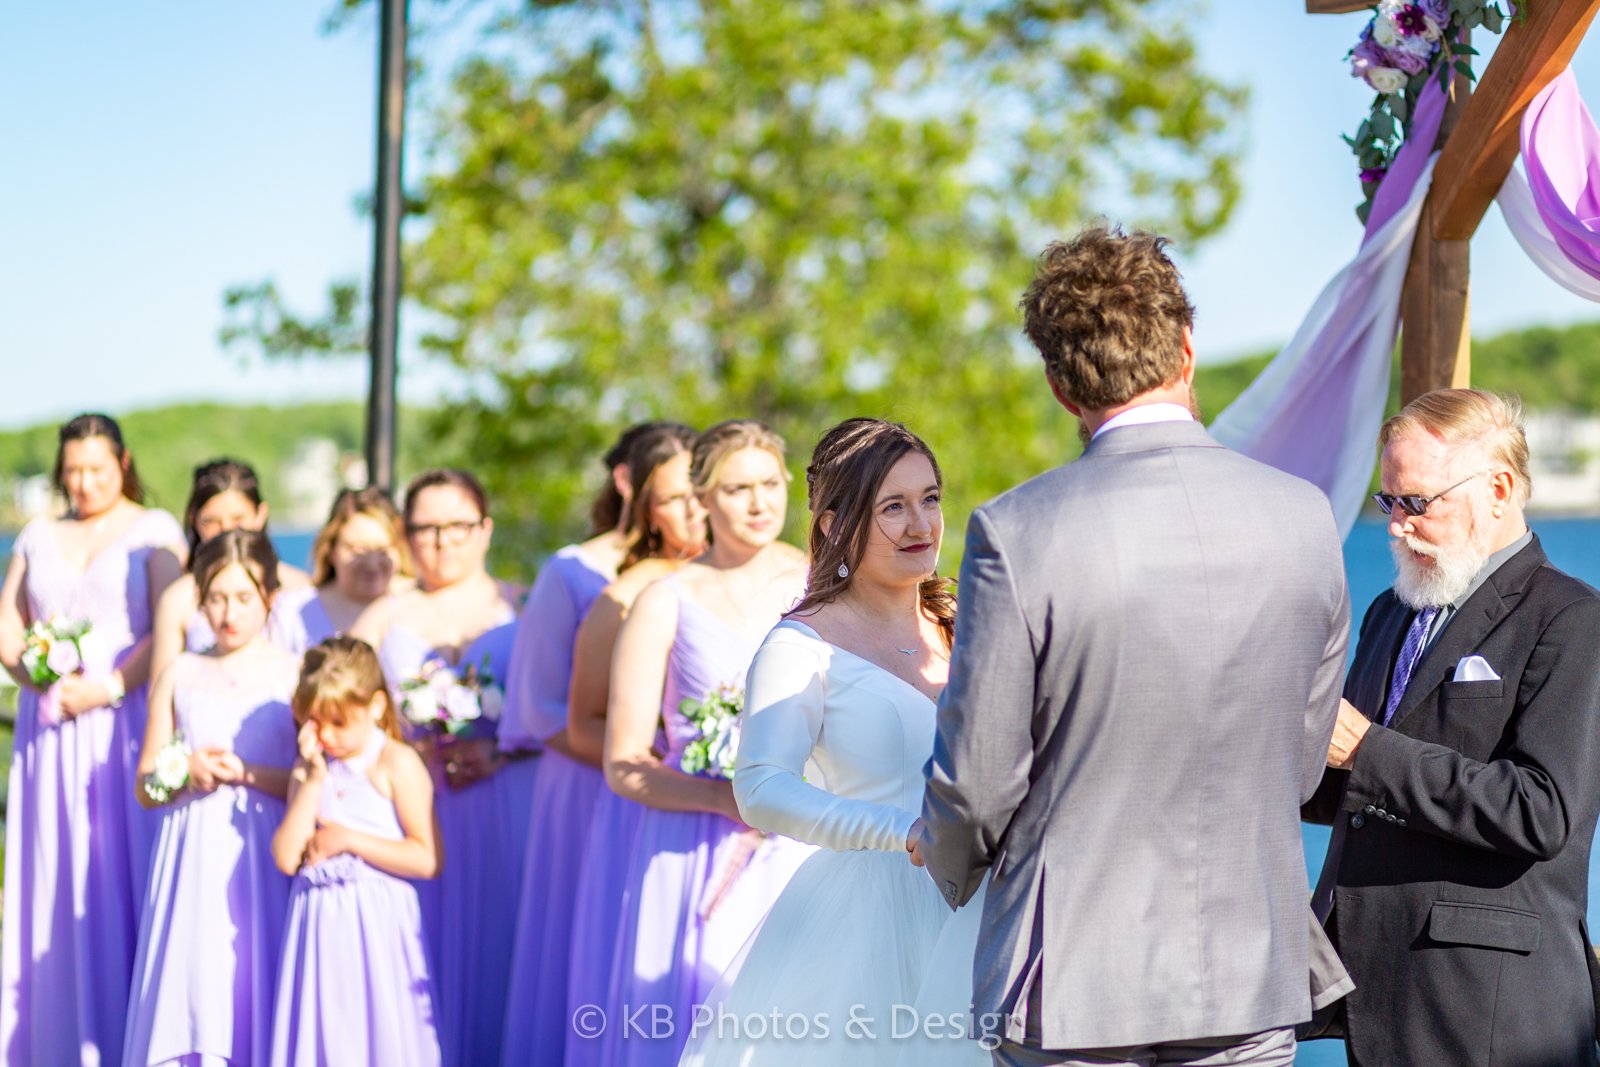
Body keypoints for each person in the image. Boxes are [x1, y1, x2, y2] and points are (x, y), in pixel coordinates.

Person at [914, 225, 1351, 1067]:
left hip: (1073, 978)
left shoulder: (1017, 530)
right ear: (1187, 348)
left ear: (1057, 385)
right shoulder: (1305, 515)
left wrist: (948, 868)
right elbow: (1299, 766)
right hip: (1249, 966)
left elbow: (977, 782)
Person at [1305, 388, 1600, 1066]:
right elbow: (1351, 787)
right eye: (1388, 502)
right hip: (1379, 1000)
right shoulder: (1392, 611)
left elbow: (1542, 810)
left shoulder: (1572, 619)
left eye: (1417, 502)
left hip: (1490, 1013)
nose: (1396, 525)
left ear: (1499, 488)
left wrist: (1367, 748)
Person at [681, 417, 970, 1066]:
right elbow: (760, 787)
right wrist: (901, 830)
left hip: (979, 905)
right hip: (869, 915)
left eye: (930, 498)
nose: (921, 524)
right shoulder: (801, 644)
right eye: (892, 506)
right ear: (836, 521)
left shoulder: (966, 625)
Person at [596, 419, 813, 1067]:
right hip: (695, 850)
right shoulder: (665, 600)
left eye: (771, 483)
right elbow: (624, 763)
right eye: (738, 486)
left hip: (803, 844)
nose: (759, 502)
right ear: (702, 498)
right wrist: (726, 798)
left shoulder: (824, 585)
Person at [501, 422, 702, 1067]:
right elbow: (540, 707)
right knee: (597, 942)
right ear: (636, 492)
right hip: (595, 781)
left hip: (705, 787)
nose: (694, 508)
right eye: (676, 494)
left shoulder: (749, 576)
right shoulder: (583, 576)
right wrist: (650, 762)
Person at [0, 412, 186, 1067]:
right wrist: (35, 669)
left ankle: (124, 1041)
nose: (83, 482)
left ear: (124, 462)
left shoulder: (153, 531)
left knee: (117, 870)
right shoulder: (38, 533)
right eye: (73, 470)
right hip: (48, 732)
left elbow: (171, 626)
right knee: (51, 875)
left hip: (122, 723)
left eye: (96, 469)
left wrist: (107, 685)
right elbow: (8, 628)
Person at [357, 468, 527, 1067]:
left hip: (508, 804)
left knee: (502, 952)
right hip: (416, 810)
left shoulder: (522, 604)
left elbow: (556, 714)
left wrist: (500, 749)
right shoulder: (384, 614)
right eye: (425, 528)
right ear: (406, 535)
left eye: (456, 525)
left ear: (484, 529)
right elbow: (338, 702)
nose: (441, 541)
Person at [559, 425, 707, 1067]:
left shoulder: (780, 579)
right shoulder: (623, 598)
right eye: (675, 498)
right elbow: (581, 724)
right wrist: (668, 760)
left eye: (703, 493)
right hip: (654, 811)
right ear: (647, 508)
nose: (693, 510)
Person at [123, 529, 300, 1066]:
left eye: (244, 597)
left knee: (255, 973)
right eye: (216, 598)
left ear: (269, 596)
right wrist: (185, 772)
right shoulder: (180, 672)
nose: (229, 613)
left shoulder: (295, 674)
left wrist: (247, 774)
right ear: (200, 599)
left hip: (262, 849)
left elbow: (312, 780)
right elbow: (146, 786)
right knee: (196, 981)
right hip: (192, 854)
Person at [269, 635, 442, 1067]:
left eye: (339, 722)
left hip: (377, 927)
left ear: (377, 708)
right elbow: (286, 856)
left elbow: (427, 858)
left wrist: (349, 839)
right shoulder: (311, 767)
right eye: (314, 722)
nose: (325, 734)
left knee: (377, 1035)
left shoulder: (395, 762)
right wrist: (311, 782)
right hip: (319, 926)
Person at [150, 458, 308, 681]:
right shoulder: (178, 599)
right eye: (212, 521)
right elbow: (160, 690)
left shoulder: (300, 587)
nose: (226, 531)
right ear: (193, 520)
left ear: (260, 515)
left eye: (238, 519)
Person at [271, 485, 414, 653]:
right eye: (358, 549)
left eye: (383, 550)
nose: (372, 562)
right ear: (331, 550)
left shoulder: (416, 607)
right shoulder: (293, 611)